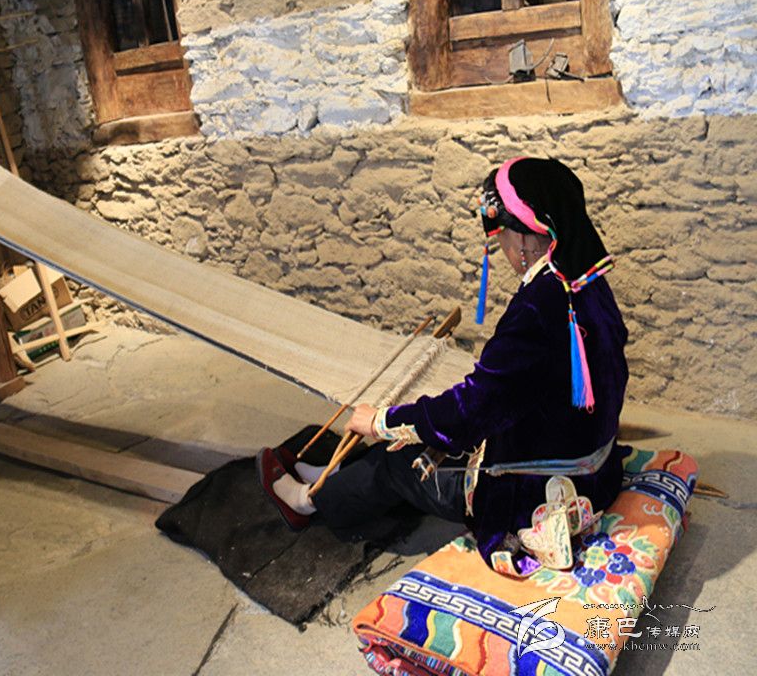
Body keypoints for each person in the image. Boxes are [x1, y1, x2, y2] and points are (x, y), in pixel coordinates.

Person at [258, 156, 629, 574]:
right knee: (422, 430)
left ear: (526, 236)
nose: (502, 248)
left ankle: (307, 503)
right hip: (593, 467)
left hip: (537, 490)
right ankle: (334, 474)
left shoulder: (536, 307)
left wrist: (382, 420)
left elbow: (472, 412)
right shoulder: (586, 281)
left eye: (502, 236)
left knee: (400, 460)